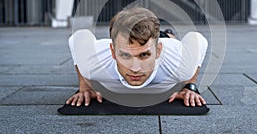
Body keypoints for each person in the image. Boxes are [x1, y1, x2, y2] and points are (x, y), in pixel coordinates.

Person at [66, 7, 208, 107]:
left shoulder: (180, 63)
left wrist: (190, 85)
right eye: (125, 55)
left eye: (144, 55)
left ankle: (167, 35)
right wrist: (85, 86)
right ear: (113, 52)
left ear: (158, 51)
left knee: (167, 37)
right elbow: (77, 38)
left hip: (166, 44)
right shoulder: (93, 61)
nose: (135, 69)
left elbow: (197, 39)